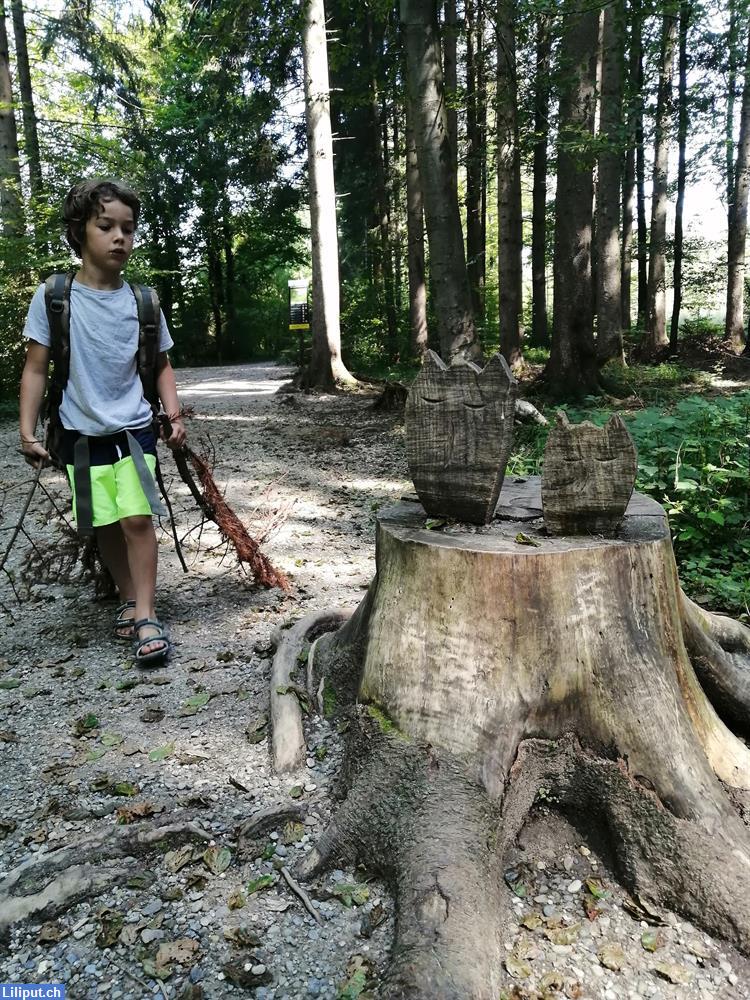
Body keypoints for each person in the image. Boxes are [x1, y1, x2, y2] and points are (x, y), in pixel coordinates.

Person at [18, 178, 186, 665]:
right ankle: (130, 597)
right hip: (79, 434)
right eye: (106, 226)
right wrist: (28, 431)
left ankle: (148, 614)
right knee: (105, 522)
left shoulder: (142, 301)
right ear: (79, 231)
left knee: (136, 517)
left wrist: (172, 415)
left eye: (128, 229)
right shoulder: (54, 297)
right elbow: (36, 366)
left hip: (133, 430)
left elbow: (162, 365)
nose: (120, 237)